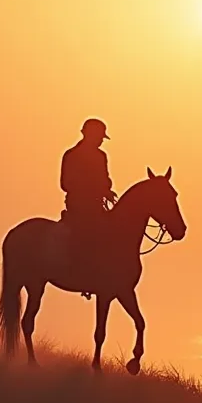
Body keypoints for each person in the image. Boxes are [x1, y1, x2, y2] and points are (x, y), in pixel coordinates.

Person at [59, 118, 117, 291]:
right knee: (87, 232)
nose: (100, 140)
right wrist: (92, 189)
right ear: (87, 134)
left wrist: (107, 190)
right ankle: (79, 270)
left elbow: (105, 179)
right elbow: (65, 183)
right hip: (79, 205)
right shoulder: (71, 155)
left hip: (97, 205)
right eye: (99, 136)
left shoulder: (101, 156)